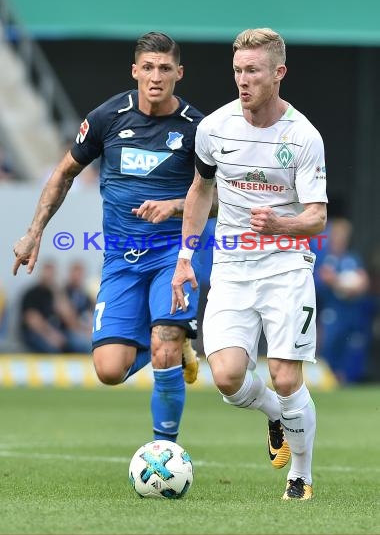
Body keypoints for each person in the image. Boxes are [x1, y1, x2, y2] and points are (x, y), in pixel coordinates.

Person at [13, 32, 205, 442]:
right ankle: (174, 349)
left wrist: (174, 205)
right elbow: (65, 172)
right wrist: (34, 232)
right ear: (135, 70)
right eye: (149, 68)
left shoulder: (197, 129)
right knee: (109, 370)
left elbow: (220, 199)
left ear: (179, 73)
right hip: (121, 260)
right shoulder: (108, 117)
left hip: (174, 255)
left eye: (165, 68)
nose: (156, 77)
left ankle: (165, 451)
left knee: (164, 343)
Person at [171, 28, 328, 500]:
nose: (243, 80)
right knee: (228, 377)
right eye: (238, 70)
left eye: (253, 71)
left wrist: (281, 225)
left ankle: (300, 473)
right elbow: (200, 190)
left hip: (286, 266)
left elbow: (317, 217)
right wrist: (184, 258)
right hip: (233, 268)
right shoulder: (214, 128)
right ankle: (276, 416)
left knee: (284, 375)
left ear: (278, 73)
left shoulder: (303, 137)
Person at [312, 217, 375, 383]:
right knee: (329, 347)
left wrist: (341, 283)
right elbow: (321, 281)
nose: (341, 240)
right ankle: (328, 380)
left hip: (352, 312)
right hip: (332, 312)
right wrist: (341, 283)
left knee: (352, 348)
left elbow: (363, 282)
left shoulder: (352, 258)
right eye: (338, 236)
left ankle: (346, 379)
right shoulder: (324, 259)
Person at [19, 260, 92, 354]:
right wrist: (50, 334)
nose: (49, 276)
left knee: (82, 344)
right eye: (47, 272)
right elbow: (32, 320)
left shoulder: (56, 293)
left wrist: (57, 292)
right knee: (55, 348)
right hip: (36, 334)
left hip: (57, 333)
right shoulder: (32, 293)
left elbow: (69, 317)